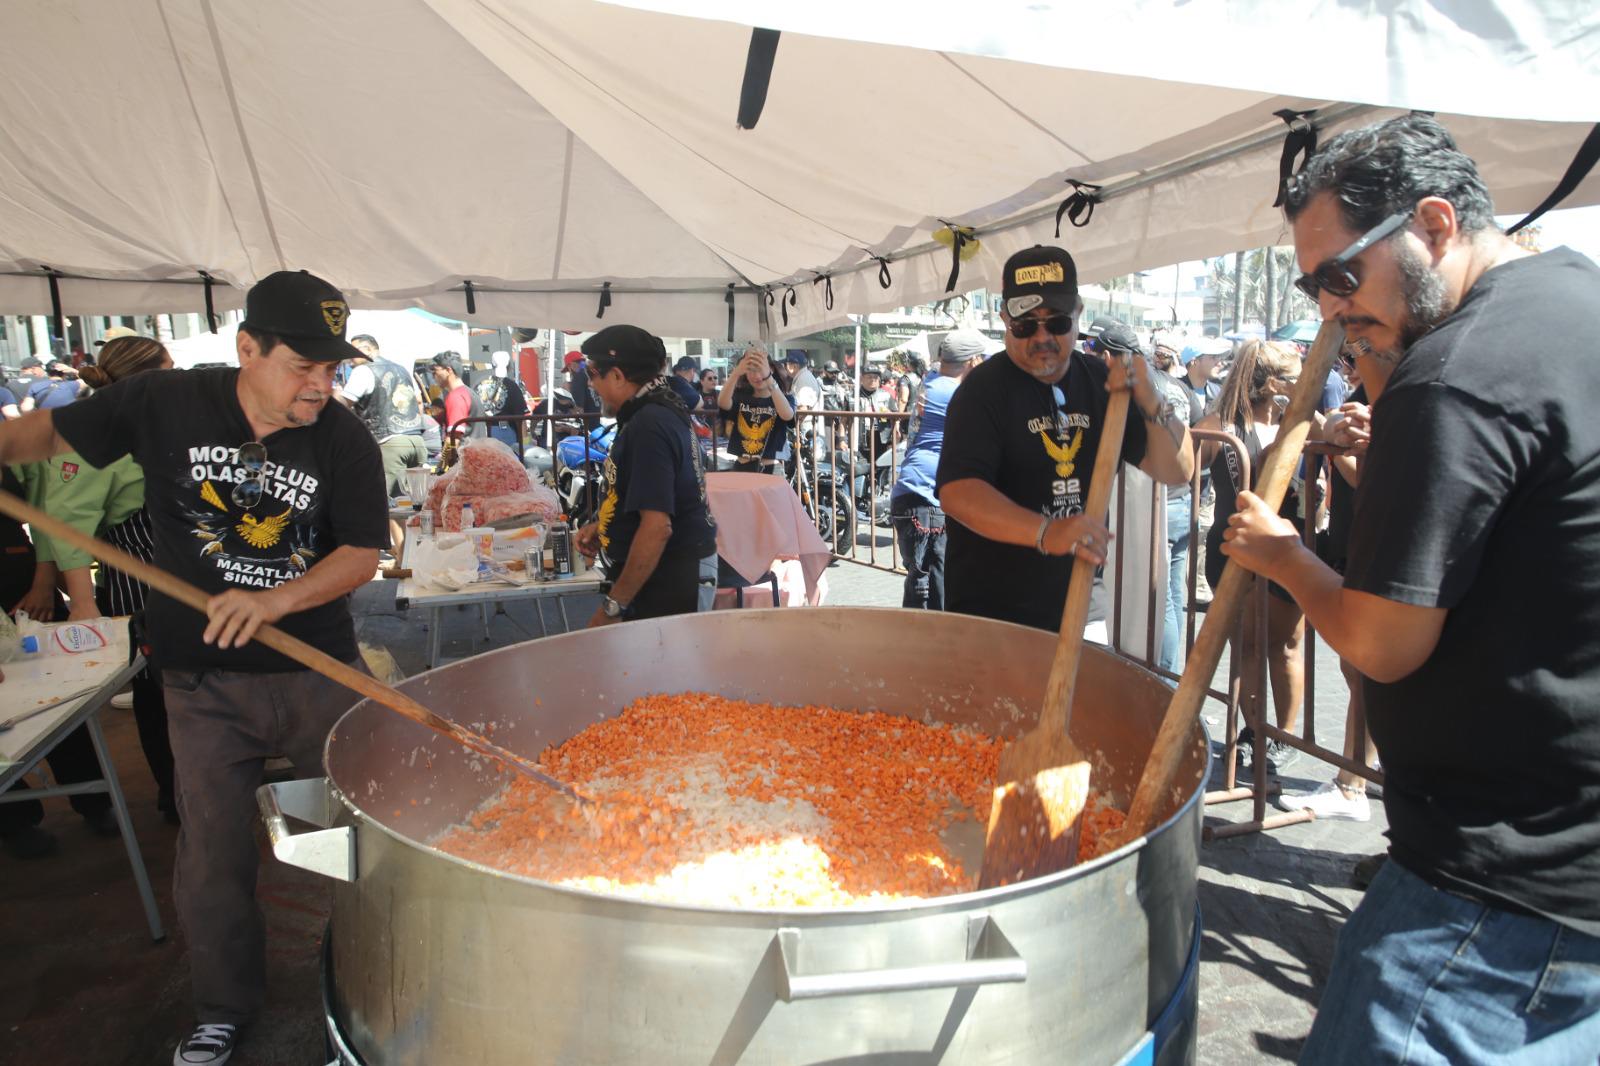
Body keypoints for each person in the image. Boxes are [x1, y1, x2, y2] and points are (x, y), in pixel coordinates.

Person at [1220, 113, 1600, 1062]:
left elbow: (1384, 643)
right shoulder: (1575, 297)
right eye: (1311, 285)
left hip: (1492, 890)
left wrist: (1286, 557)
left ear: (1434, 224)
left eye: (1341, 275)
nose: (1327, 309)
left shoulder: (1455, 376)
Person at [0, 269, 387, 1066]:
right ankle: (222, 1009)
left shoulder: (342, 437)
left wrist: (276, 600)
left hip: (318, 670)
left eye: (331, 368)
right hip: (200, 681)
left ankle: (374, 995)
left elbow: (361, 553)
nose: (321, 386)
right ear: (248, 348)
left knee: (365, 842)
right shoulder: (163, 403)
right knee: (212, 855)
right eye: (303, 367)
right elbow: (39, 438)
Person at [936, 245, 1193, 637]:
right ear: (1004, 319)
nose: (1042, 337)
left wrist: (1153, 402)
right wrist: (1046, 532)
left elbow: (1176, 470)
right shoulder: (982, 390)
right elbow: (958, 492)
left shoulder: (1102, 382)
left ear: (1077, 315)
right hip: (993, 611)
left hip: (1081, 603)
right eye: (1025, 325)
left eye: (1056, 322)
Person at [26, 335, 181, 826]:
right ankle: (175, 795)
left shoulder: (162, 422)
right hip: (140, 581)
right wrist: (82, 602)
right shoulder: (96, 435)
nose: (178, 377)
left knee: (199, 687)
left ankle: (201, 785)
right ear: (148, 376)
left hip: (185, 571)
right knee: (160, 694)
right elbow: (65, 521)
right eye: (169, 368)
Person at [1195, 340, 1306, 773]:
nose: (1302, 383)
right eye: (1292, 377)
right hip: (1233, 549)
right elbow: (1182, 462)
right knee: (1247, 646)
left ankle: (1285, 735)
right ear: (1273, 382)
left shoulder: (1301, 422)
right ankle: (1256, 730)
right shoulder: (1221, 424)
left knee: (1285, 645)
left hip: (1286, 549)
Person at [576, 325, 717, 623]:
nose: (590, 384)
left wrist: (614, 606)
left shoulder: (649, 424)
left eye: (592, 374)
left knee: (662, 656)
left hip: (672, 574)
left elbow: (657, 528)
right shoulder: (653, 411)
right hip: (666, 569)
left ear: (617, 375)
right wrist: (607, 524)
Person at [890, 329, 983, 610]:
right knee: (932, 588)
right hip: (926, 496)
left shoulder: (931, 382)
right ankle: (931, 637)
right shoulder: (956, 392)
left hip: (913, 493)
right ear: (973, 361)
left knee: (921, 582)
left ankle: (917, 635)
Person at [1150, 338, 1197, 672]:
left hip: (1165, 501)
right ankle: (1173, 671)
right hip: (1181, 498)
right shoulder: (1180, 387)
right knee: (1174, 593)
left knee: (1164, 596)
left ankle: (1167, 675)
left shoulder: (1151, 386)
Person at [337, 334, 427, 494]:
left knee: (386, 501)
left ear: (368, 349)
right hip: (417, 440)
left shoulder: (364, 370)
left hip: (389, 442)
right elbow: (419, 402)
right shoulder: (401, 369)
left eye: (353, 351)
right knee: (415, 501)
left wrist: (334, 394)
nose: (350, 358)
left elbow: (342, 405)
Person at [716, 344, 794, 473]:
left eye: (760, 369)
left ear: (771, 369)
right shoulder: (740, 396)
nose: (756, 376)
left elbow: (787, 415)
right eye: (751, 370)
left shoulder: (784, 398)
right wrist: (736, 373)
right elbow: (723, 403)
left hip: (770, 468)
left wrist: (768, 378)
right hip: (742, 466)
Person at [477, 350, 529, 450]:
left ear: (492, 365)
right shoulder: (512, 386)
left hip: (483, 431)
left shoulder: (481, 384)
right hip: (504, 431)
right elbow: (521, 419)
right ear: (508, 366)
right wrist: (525, 444)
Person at [430, 351, 487, 441]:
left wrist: (445, 451)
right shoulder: (469, 393)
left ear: (448, 370)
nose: (433, 376)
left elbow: (454, 439)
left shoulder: (456, 396)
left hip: (465, 449)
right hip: (478, 447)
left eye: (435, 371)